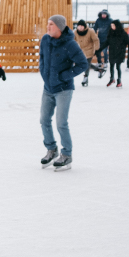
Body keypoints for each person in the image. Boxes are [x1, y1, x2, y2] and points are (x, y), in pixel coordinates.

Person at [39, 15, 88, 171]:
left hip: (63, 89)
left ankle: (66, 154)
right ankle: (51, 149)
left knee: (61, 123)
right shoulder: (45, 40)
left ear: (59, 27)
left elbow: (82, 64)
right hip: (48, 88)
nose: (48, 27)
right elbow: (41, 58)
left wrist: (63, 77)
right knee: (44, 120)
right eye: (48, 24)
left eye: (51, 24)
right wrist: (44, 73)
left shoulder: (70, 44)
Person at [74, 20, 100, 87]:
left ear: (84, 26)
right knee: (84, 64)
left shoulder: (90, 31)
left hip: (90, 50)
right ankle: (99, 69)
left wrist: (97, 49)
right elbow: (72, 41)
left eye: (82, 26)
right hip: (81, 51)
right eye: (79, 26)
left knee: (86, 64)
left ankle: (85, 77)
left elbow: (96, 40)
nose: (80, 27)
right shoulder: (75, 32)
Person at [106, 20, 129, 88]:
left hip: (120, 52)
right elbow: (107, 42)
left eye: (113, 26)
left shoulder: (123, 33)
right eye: (111, 26)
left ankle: (119, 80)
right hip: (112, 52)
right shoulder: (110, 32)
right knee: (111, 65)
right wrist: (100, 49)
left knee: (118, 66)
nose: (112, 27)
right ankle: (112, 78)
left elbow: (128, 42)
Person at [92, 9, 111, 77]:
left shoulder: (110, 20)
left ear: (107, 15)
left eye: (105, 14)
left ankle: (105, 62)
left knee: (105, 51)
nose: (103, 15)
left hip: (106, 39)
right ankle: (99, 62)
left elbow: (112, 28)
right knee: (98, 50)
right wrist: (93, 35)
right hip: (99, 38)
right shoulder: (98, 20)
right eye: (103, 14)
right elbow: (95, 28)